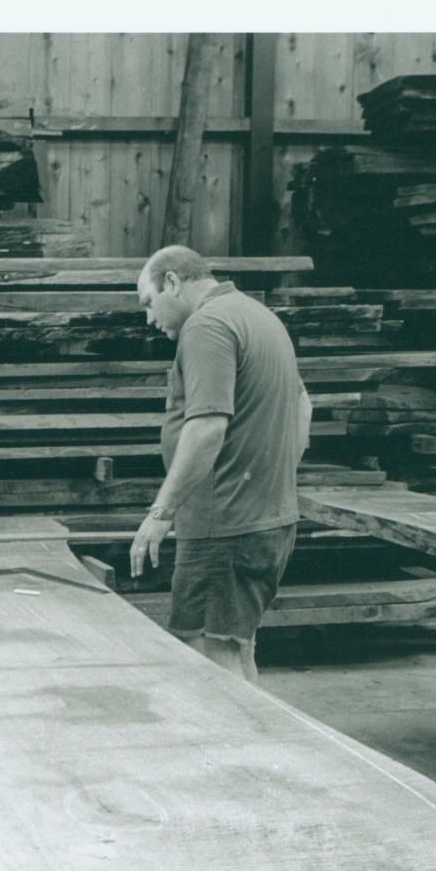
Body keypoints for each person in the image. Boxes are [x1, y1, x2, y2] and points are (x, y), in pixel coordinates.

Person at [129, 246, 312, 682]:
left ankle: (241, 751)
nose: (149, 319)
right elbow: (304, 406)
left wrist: (161, 514)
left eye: (148, 303)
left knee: (209, 663)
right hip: (267, 520)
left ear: (172, 282)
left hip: (224, 527)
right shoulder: (257, 315)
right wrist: (268, 475)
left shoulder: (206, 325)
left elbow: (207, 427)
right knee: (235, 653)